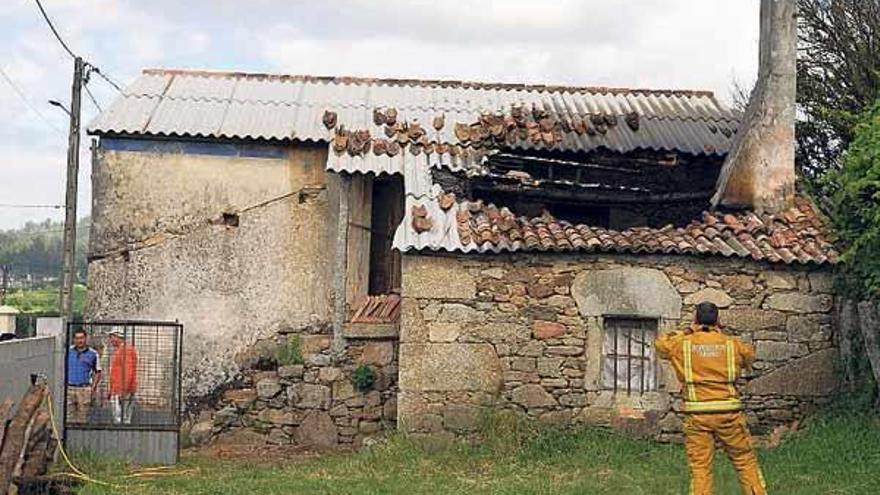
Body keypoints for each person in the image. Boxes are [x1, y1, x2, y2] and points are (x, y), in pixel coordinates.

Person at [655, 301, 767, 495]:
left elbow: (660, 344)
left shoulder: (682, 343)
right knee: (744, 460)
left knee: (700, 468)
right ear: (718, 320)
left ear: (695, 319)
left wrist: (689, 330)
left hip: (697, 414)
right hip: (729, 413)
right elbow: (750, 356)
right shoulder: (732, 344)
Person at [66, 329, 102, 423]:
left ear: (86, 338)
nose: (79, 341)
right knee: (68, 417)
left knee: (83, 417)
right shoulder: (67, 352)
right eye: (77, 338)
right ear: (73, 339)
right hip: (69, 388)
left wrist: (93, 388)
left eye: (81, 338)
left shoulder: (93, 354)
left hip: (84, 389)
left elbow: (98, 371)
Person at [106, 327, 138, 424]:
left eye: (111, 337)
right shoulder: (123, 349)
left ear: (116, 337)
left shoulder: (125, 350)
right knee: (123, 417)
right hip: (120, 388)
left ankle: (121, 437)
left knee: (120, 418)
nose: (110, 340)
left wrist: (123, 389)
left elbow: (128, 371)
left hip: (121, 389)